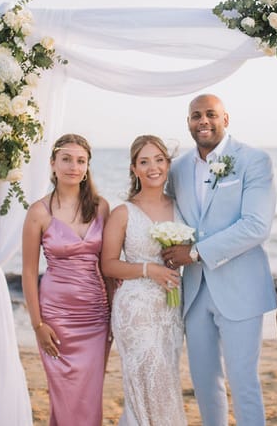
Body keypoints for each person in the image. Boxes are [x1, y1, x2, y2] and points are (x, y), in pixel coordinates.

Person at [162, 94, 276, 426]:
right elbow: (170, 215)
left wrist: (195, 252)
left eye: (211, 114)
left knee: (243, 381)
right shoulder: (178, 168)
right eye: (196, 115)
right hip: (194, 292)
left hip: (241, 289)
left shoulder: (253, 160)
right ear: (188, 122)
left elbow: (256, 226)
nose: (203, 121)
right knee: (204, 383)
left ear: (225, 119)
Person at [21, 134, 111, 426]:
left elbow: (107, 267)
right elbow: (29, 272)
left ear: (87, 167)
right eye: (66, 159)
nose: (74, 166)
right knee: (63, 395)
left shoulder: (101, 207)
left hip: (96, 317)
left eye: (80, 161)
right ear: (53, 163)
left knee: (90, 396)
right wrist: (38, 325)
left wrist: (114, 314)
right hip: (56, 317)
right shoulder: (39, 212)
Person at [101, 135, 187, 425]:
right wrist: (150, 269)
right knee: (150, 380)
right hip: (135, 309)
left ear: (168, 164)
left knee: (166, 381)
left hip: (170, 308)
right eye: (144, 161)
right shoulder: (123, 212)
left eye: (159, 160)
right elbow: (108, 265)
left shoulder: (181, 207)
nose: (153, 167)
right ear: (134, 169)